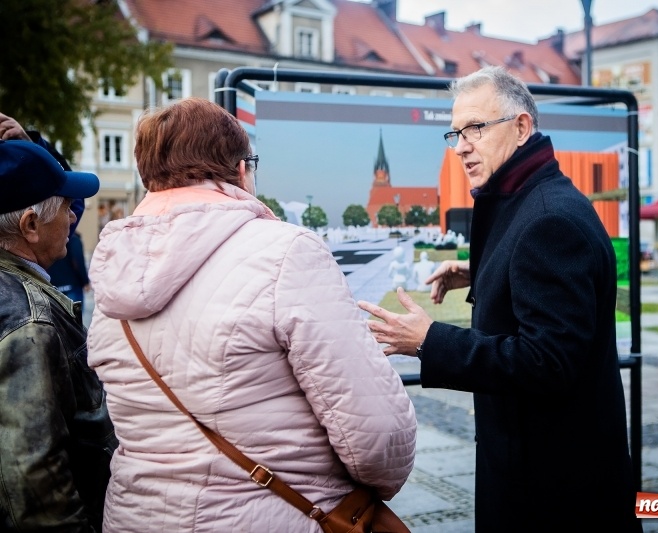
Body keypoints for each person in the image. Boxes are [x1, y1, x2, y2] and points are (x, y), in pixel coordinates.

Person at [86, 97, 416, 531]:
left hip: (137, 516)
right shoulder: (286, 253)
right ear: (242, 170)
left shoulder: (115, 269)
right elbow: (377, 437)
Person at [358, 66, 640, 531]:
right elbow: (541, 280)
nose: (462, 145)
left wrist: (431, 340)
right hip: (542, 468)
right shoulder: (534, 200)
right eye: (455, 133)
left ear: (522, 127)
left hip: (554, 490)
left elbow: (548, 361)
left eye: (476, 128)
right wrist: (482, 272)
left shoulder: (549, 220)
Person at [0, 140, 114, 531]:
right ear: (30, 225)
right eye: (66, 206)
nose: (72, 217)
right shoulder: (30, 320)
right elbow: (34, 476)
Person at [48, 232, 90, 303]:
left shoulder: (48, 239)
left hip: (54, 287)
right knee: (74, 313)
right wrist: (85, 282)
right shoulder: (73, 239)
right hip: (72, 286)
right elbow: (78, 260)